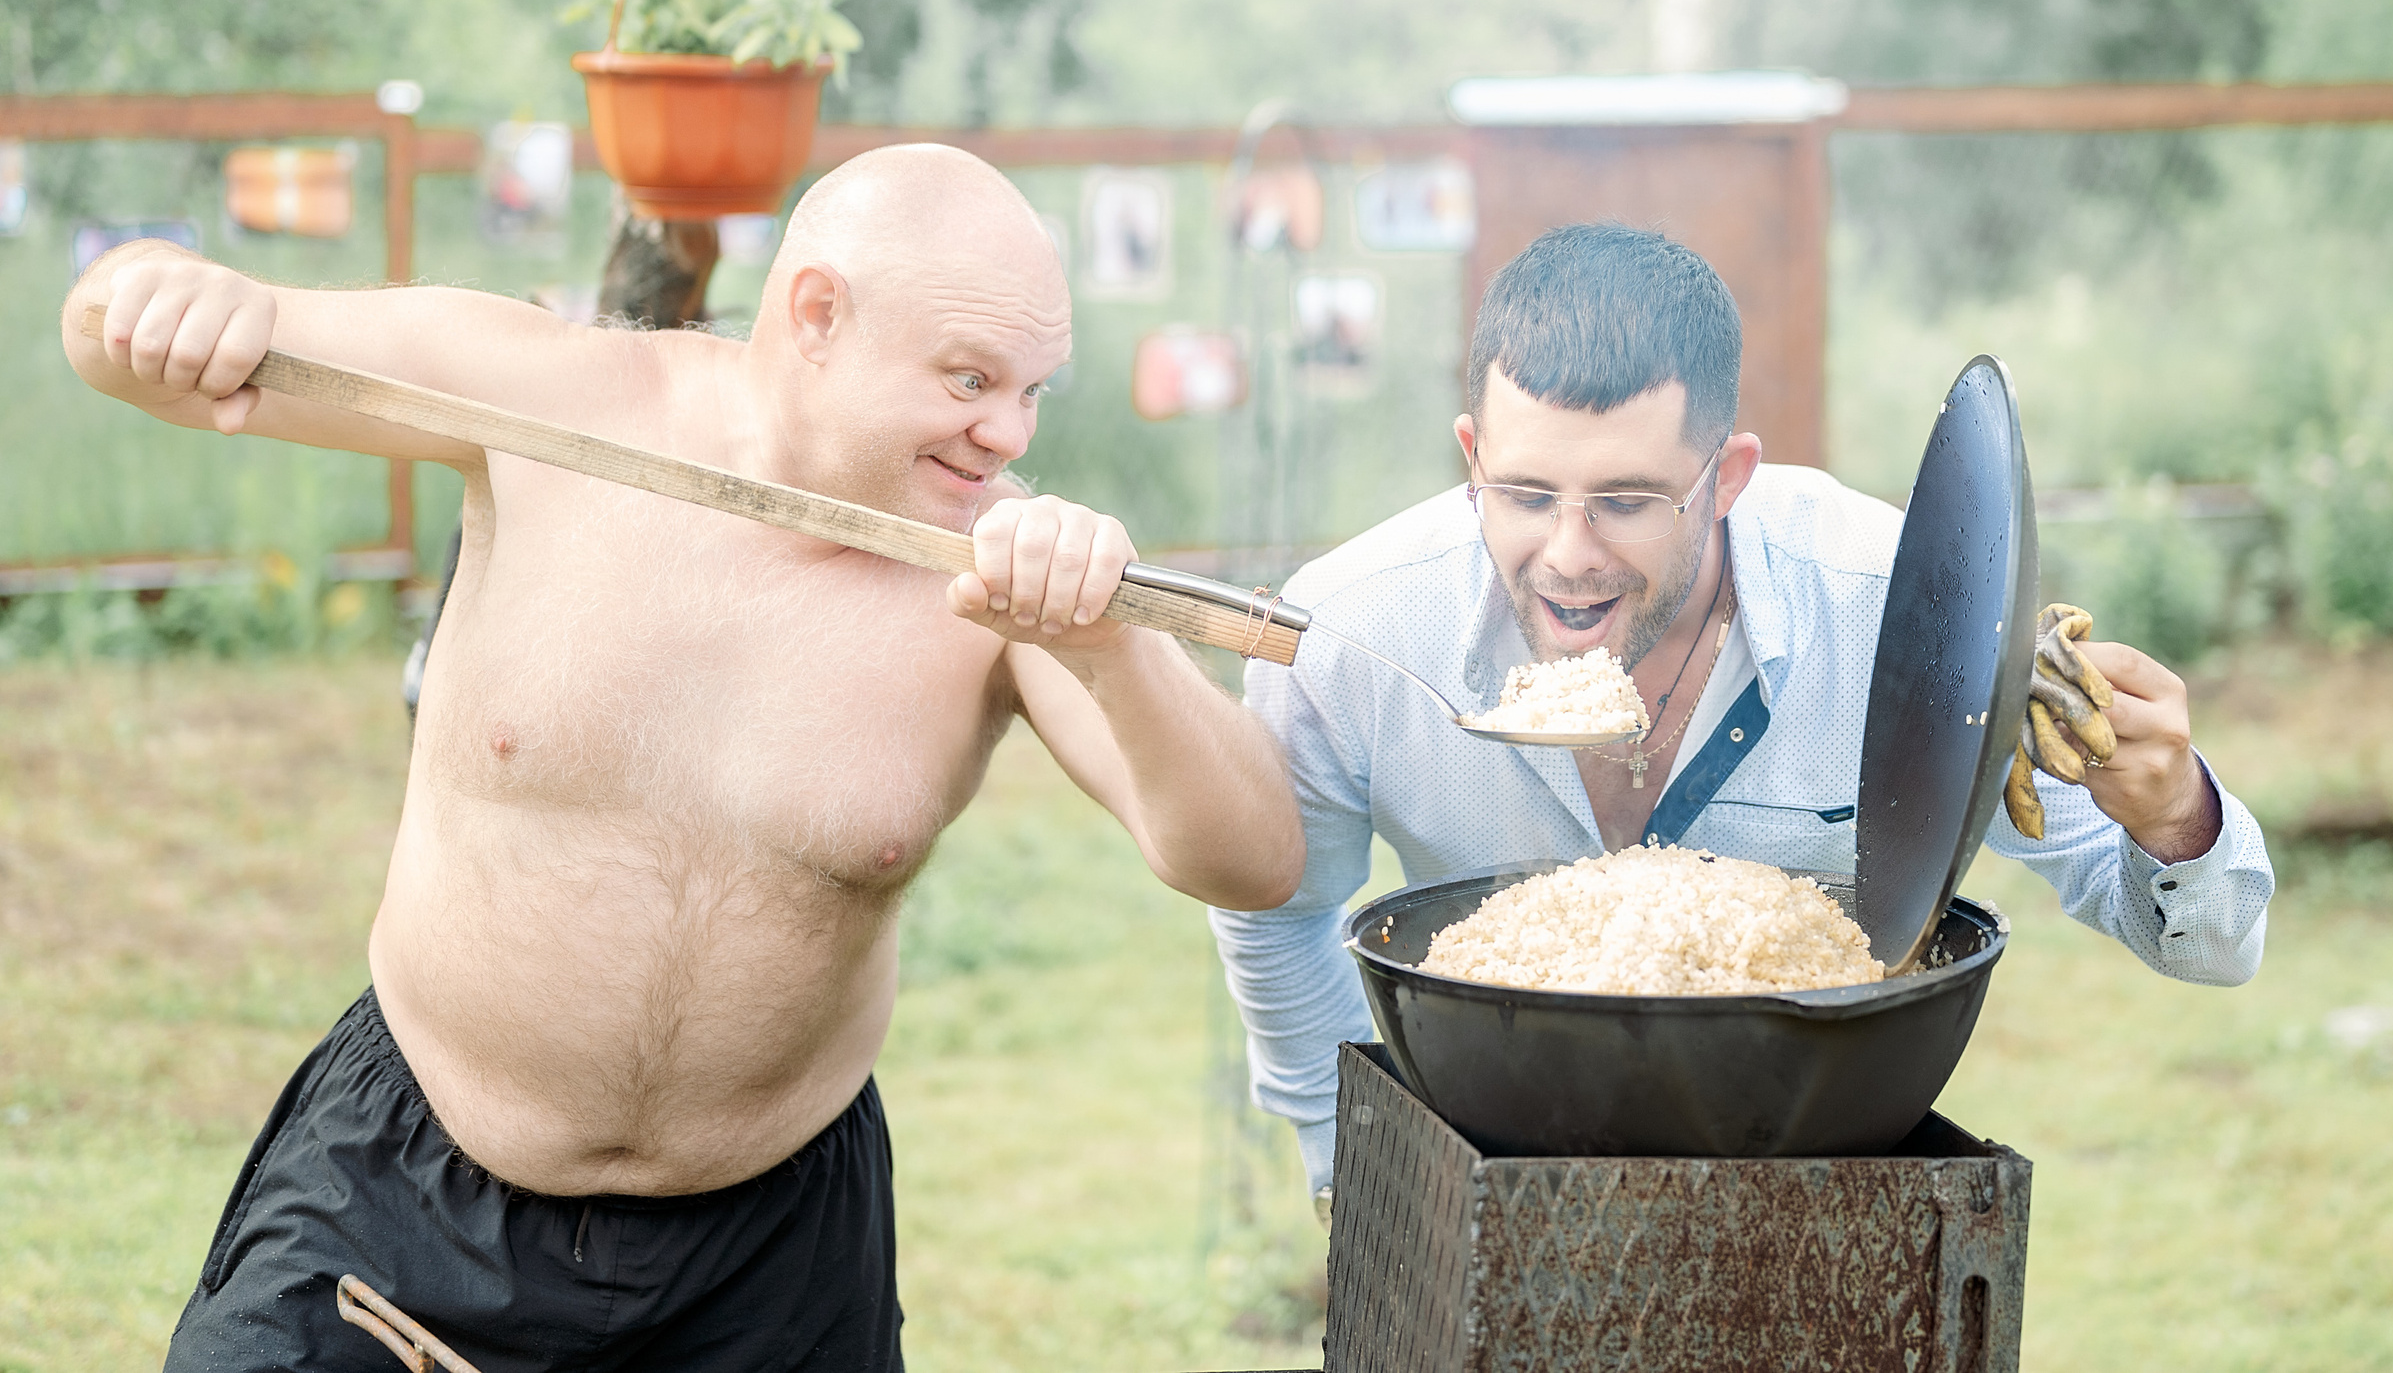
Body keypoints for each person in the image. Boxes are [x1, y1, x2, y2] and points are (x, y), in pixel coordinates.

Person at [62, 144, 1301, 1372]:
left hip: (772, 1255)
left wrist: (1113, 649)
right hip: (407, 1187)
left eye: (1036, 391)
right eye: (971, 378)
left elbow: (1253, 861)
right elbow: (119, 341)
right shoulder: (551, 396)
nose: (1006, 431)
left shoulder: (995, 578)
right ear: (817, 313)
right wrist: (168, 287)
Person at [1209, 224, 2274, 1206]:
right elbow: (1283, 907)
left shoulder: (1890, 606)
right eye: (1526, 495)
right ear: (1471, 458)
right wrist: (1341, 1156)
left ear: (1726, 477)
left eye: (1626, 501)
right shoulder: (1349, 632)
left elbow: (2215, 949)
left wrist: (2176, 813)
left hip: (1815, 1171)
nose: (1570, 554)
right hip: (1504, 1164)